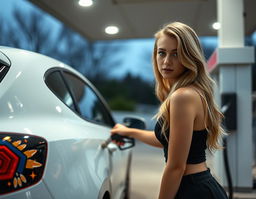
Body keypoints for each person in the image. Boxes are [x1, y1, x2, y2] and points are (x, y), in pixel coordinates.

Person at [111, 22, 228, 199]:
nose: (166, 61)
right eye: (162, 53)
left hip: (193, 190)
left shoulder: (183, 96)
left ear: (189, 57)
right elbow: (169, 141)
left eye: (176, 54)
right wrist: (130, 131)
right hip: (199, 185)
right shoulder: (191, 91)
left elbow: (176, 167)